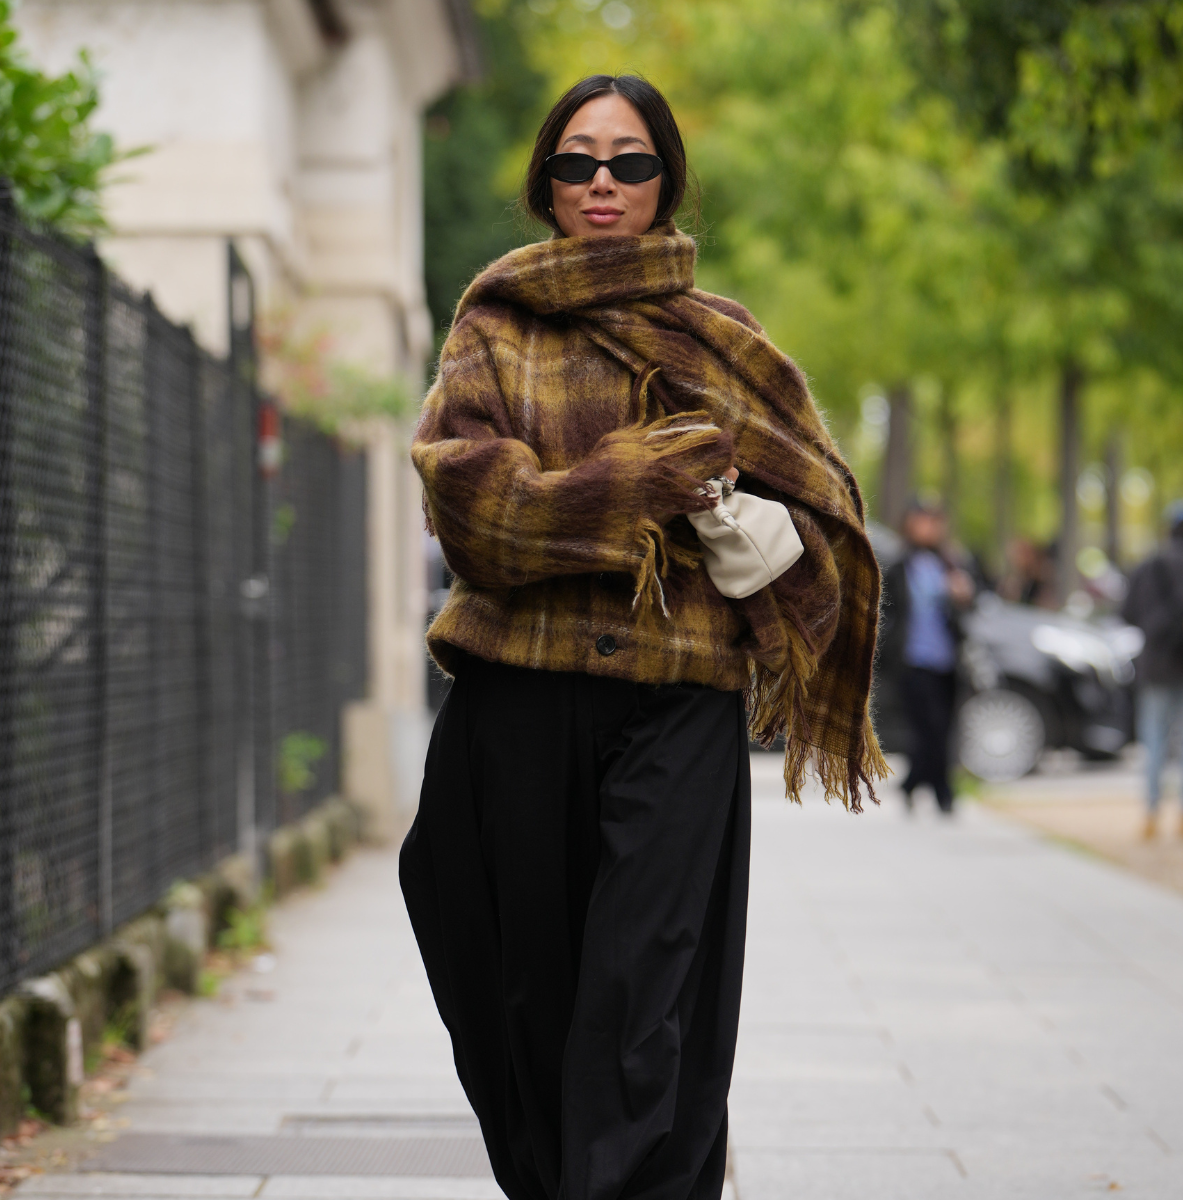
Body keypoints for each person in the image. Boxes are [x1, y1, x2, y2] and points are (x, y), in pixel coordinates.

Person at [398, 75, 886, 1200]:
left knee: (647, 992)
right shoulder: (494, 322)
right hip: (518, 699)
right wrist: (626, 487)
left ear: (666, 179)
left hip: (680, 702)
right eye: (577, 162)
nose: (602, 183)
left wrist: (721, 498)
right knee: (519, 990)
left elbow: (819, 536)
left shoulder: (728, 340)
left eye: (628, 161)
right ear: (546, 184)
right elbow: (469, 507)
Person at [878, 500, 975, 813]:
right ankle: (944, 793)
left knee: (942, 727)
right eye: (923, 520)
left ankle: (911, 784)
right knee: (928, 726)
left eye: (934, 521)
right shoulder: (899, 565)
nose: (929, 527)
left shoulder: (952, 562)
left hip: (946, 660)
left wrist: (962, 596)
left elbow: (971, 609)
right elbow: (886, 613)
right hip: (912, 660)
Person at [1121, 499, 1183, 839]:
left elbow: (1125, 612)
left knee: (1154, 739)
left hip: (1155, 664)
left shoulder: (1149, 567)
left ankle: (1151, 811)